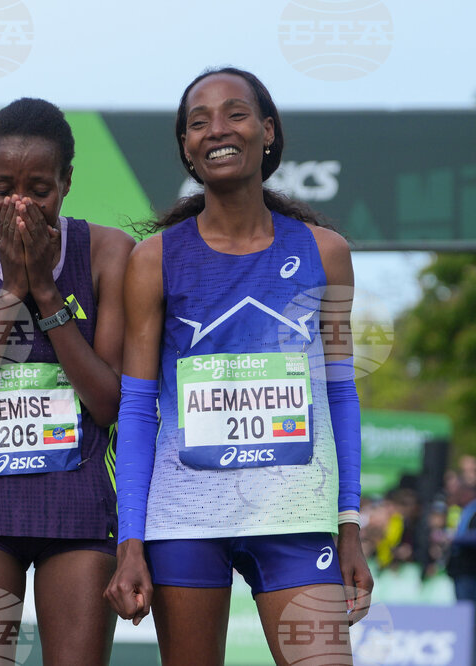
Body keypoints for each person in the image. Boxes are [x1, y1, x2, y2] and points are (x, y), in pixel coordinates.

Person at [105, 68, 374, 665]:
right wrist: (130, 541)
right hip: (184, 522)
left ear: (268, 131)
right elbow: (136, 407)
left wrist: (349, 524)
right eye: (198, 122)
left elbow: (340, 395)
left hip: (298, 517)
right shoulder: (153, 261)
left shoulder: (324, 252)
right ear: (186, 149)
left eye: (235, 114)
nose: (217, 130)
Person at [0, 98, 133, 664]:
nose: (18, 203)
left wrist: (45, 291)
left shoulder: (110, 252)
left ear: (67, 181)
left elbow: (109, 402)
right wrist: (10, 294)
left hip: (80, 503)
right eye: (1, 186)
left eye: (39, 188)